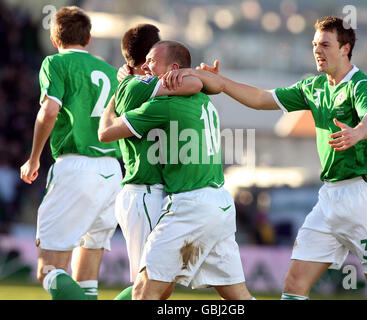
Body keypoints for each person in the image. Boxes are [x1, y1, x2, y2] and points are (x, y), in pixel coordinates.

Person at [164, 16, 367, 300]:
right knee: (294, 283)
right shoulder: (314, 87)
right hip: (329, 198)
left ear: (345, 48)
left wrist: (357, 133)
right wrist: (221, 82)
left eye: (325, 44)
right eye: (315, 44)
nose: (317, 50)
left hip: (364, 197)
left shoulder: (360, 86)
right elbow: (262, 98)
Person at [98, 40, 253, 300]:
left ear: (174, 68)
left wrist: (112, 104)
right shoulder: (205, 100)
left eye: (152, 61)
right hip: (221, 204)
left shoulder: (164, 106)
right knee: (237, 295)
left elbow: (106, 133)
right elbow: (204, 84)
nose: (146, 66)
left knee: (145, 288)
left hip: (189, 205)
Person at [20, 6, 123, 300]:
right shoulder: (108, 70)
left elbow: (49, 110)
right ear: (88, 40)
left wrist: (34, 157)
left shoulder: (55, 63)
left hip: (77, 166)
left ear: (54, 39)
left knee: (49, 269)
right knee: (87, 278)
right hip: (111, 171)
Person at [108, 29, 206, 300]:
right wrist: (197, 75)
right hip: (145, 191)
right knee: (147, 284)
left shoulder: (130, 85)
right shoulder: (142, 86)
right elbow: (195, 85)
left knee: (156, 283)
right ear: (149, 58)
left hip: (144, 192)